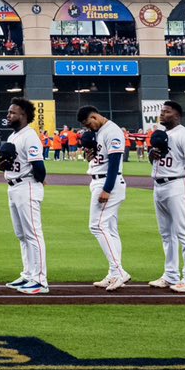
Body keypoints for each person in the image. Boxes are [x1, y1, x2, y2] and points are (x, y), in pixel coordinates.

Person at [147, 100, 185, 293]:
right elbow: (155, 158)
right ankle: (171, 274)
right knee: (166, 234)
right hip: (159, 185)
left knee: (184, 232)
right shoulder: (162, 135)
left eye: (167, 112)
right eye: (161, 111)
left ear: (177, 115)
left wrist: (181, 172)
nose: (162, 114)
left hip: (178, 185)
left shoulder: (184, 134)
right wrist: (152, 154)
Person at [78, 104, 129, 290]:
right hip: (100, 180)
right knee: (110, 229)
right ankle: (113, 273)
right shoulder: (99, 132)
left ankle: (119, 272)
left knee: (96, 225)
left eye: (87, 123)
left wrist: (106, 190)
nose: (87, 128)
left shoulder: (112, 131)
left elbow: (115, 163)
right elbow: (102, 158)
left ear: (94, 117)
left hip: (109, 183)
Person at [2, 98, 48, 294]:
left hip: (27, 186)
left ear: (24, 115)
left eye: (13, 112)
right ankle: (28, 274)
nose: (8, 115)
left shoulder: (29, 136)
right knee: (22, 235)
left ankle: (40, 281)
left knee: (33, 234)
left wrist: (38, 180)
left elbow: (39, 167)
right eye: (9, 112)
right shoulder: (14, 136)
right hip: (14, 186)